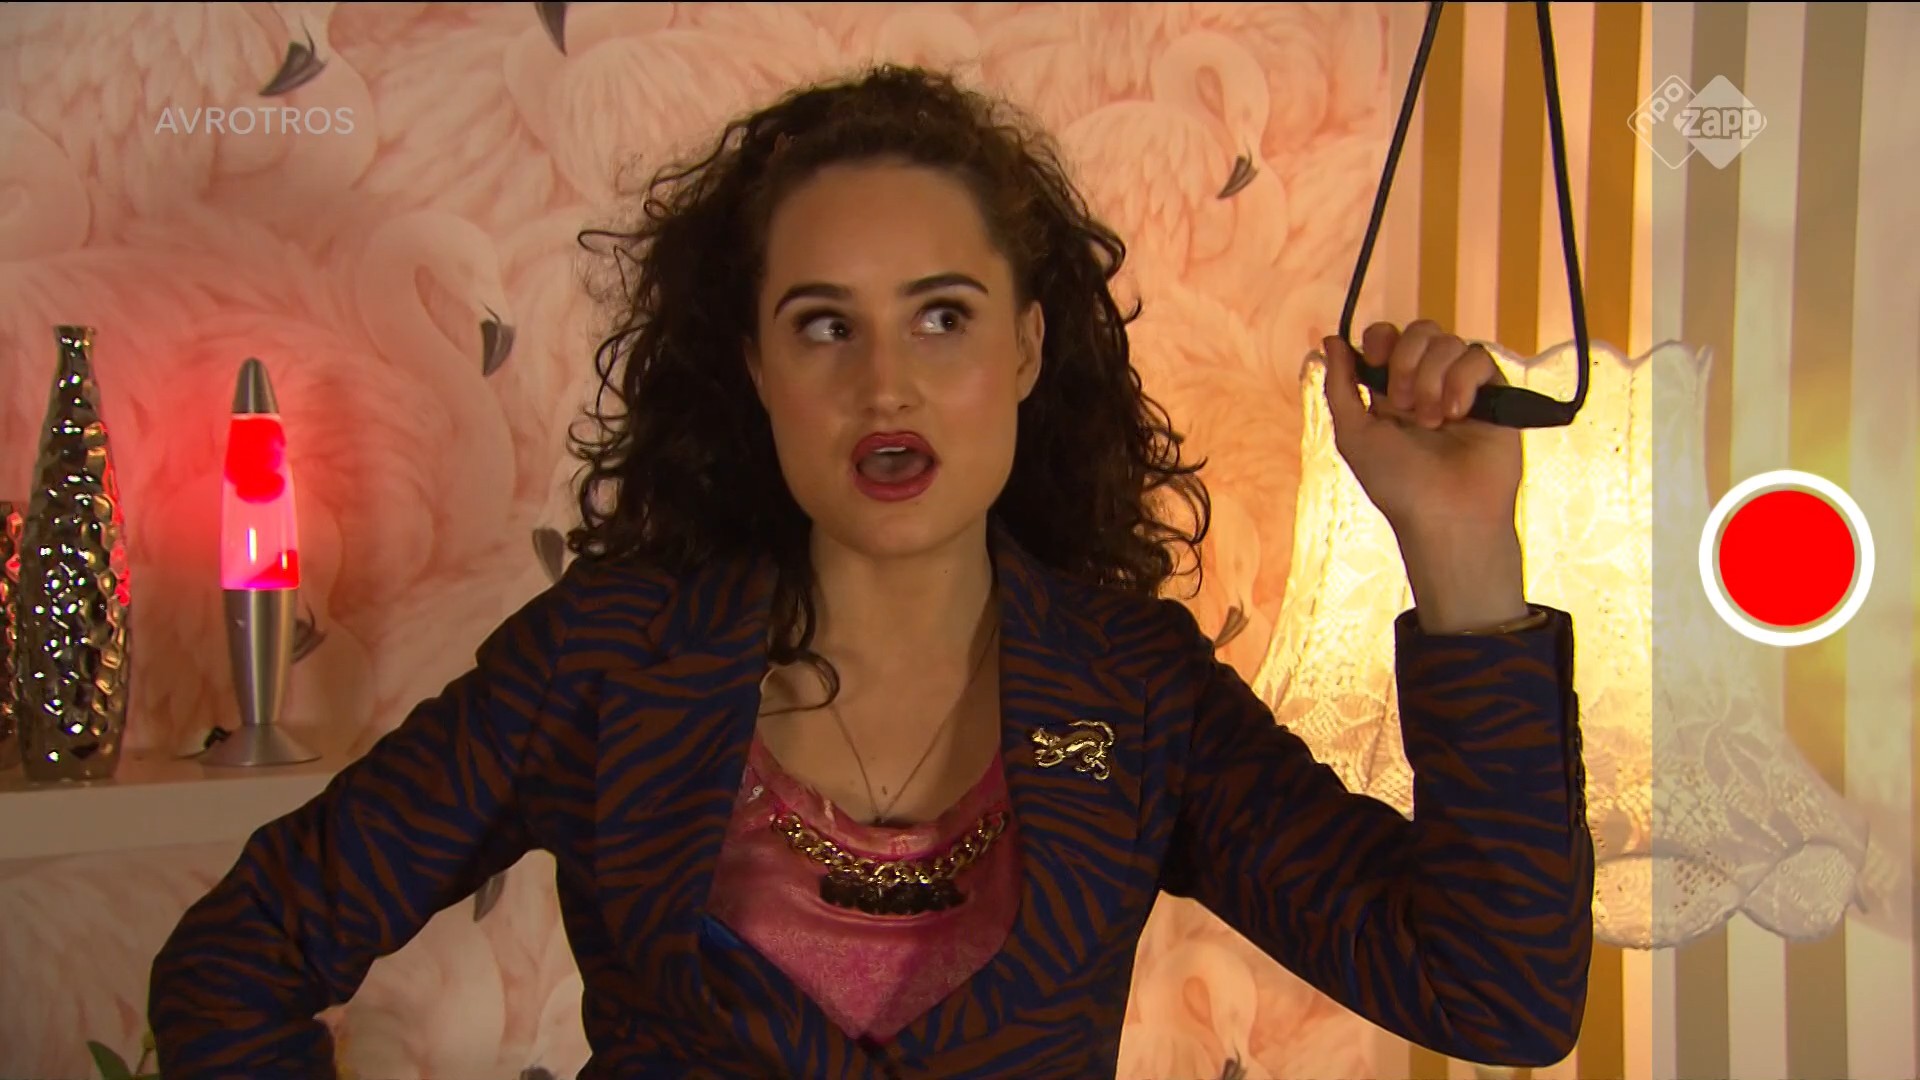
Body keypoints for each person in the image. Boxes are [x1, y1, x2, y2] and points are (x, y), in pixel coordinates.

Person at [149, 65, 1593, 1078]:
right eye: (826, 326)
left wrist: (1462, 553)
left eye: (943, 317)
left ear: (1026, 348)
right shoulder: (608, 659)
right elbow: (235, 963)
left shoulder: (1135, 692)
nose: (886, 384)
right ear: (754, 366)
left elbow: (1500, 991)